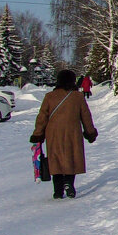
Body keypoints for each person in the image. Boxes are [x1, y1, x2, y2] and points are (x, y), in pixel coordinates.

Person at [30, 69, 98, 199]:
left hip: (53, 133)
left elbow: (42, 117)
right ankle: (68, 183)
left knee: (55, 159)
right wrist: (90, 132)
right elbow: (86, 116)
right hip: (73, 132)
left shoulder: (49, 96)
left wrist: (38, 134)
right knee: (71, 157)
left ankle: (58, 191)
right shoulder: (78, 97)